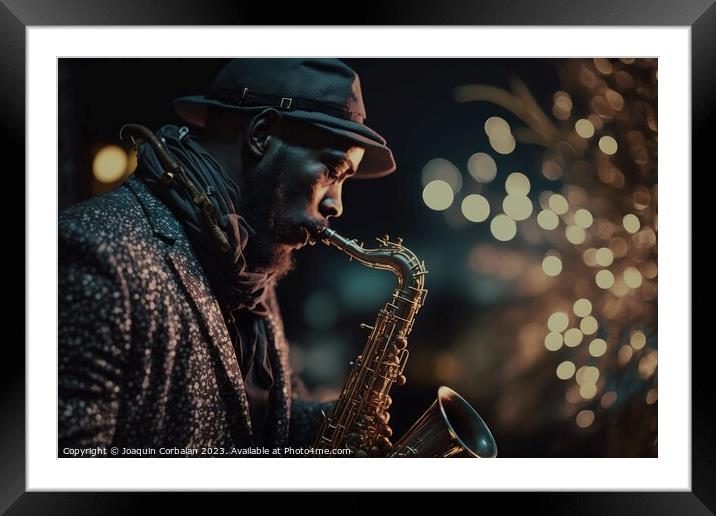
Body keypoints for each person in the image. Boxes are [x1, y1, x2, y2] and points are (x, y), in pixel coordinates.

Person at [58, 58, 396, 457]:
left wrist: (323, 426)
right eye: (331, 171)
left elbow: (243, 419)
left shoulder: (248, 262)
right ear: (262, 134)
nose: (336, 205)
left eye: (344, 181)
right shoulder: (92, 250)